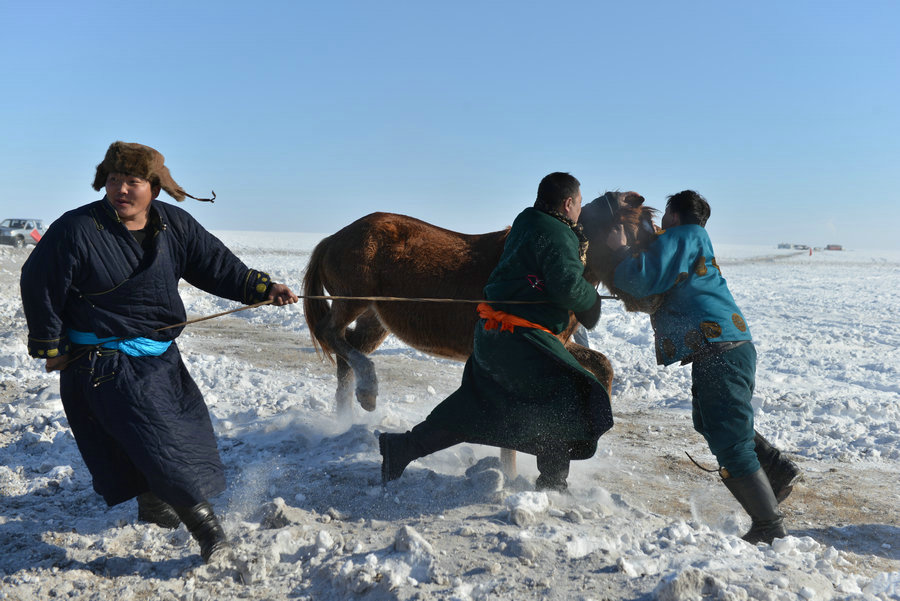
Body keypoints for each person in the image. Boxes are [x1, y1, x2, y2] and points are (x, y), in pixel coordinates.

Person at [19, 141, 299, 563]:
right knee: (162, 443)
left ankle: (154, 506)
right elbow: (39, 281)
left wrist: (263, 288)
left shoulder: (174, 225)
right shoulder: (77, 229)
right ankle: (210, 533)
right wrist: (51, 345)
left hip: (160, 359)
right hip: (102, 363)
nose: (122, 190)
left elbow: (217, 266)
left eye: (133, 181)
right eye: (113, 180)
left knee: (170, 437)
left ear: (154, 187)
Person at [379, 172, 609, 492]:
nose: (581, 211)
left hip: (495, 335)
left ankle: (400, 449)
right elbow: (567, 286)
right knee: (566, 396)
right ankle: (553, 483)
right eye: (580, 203)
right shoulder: (556, 232)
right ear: (568, 203)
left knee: (471, 409)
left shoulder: (526, 222)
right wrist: (591, 301)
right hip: (522, 340)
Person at [605, 189, 794, 545]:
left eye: (665, 218)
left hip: (721, 348)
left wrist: (619, 251)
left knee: (729, 439)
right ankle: (776, 469)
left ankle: (769, 525)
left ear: (674, 216)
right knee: (708, 421)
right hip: (723, 347)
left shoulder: (683, 236)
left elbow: (639, 279)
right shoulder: (693, 238)